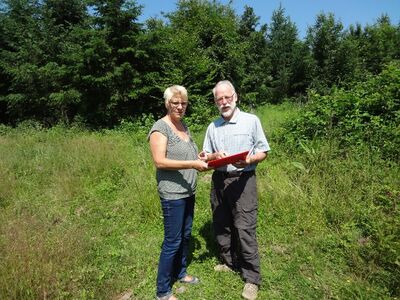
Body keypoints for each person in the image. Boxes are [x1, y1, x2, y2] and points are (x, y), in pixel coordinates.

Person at [199, 80, 270, 300]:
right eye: (219, 99)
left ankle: (251, 278)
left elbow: (264, 150)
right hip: (219, 180)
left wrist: (250, 159)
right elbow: (205, 157)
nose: (224, 102)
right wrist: (212, 157)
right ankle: (229, 263)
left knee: (244, 227)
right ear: (215, 102)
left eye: (227, 97)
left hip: (243, 180)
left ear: (235, 96)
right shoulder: (212, 126)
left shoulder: (251, 120)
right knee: (222, 224)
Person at [148, 85, 208, 300]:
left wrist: (199, 155)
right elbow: (159, 161)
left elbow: (186, 152)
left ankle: (180, 273)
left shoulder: (183, 125)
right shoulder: (160, 128)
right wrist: (193, 163)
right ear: (167, 104)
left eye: (183, 103)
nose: (180, 107)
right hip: (172, 194)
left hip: (188, 191)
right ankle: (162, 291)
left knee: (185, 236)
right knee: (172, 241)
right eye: (175, 102)